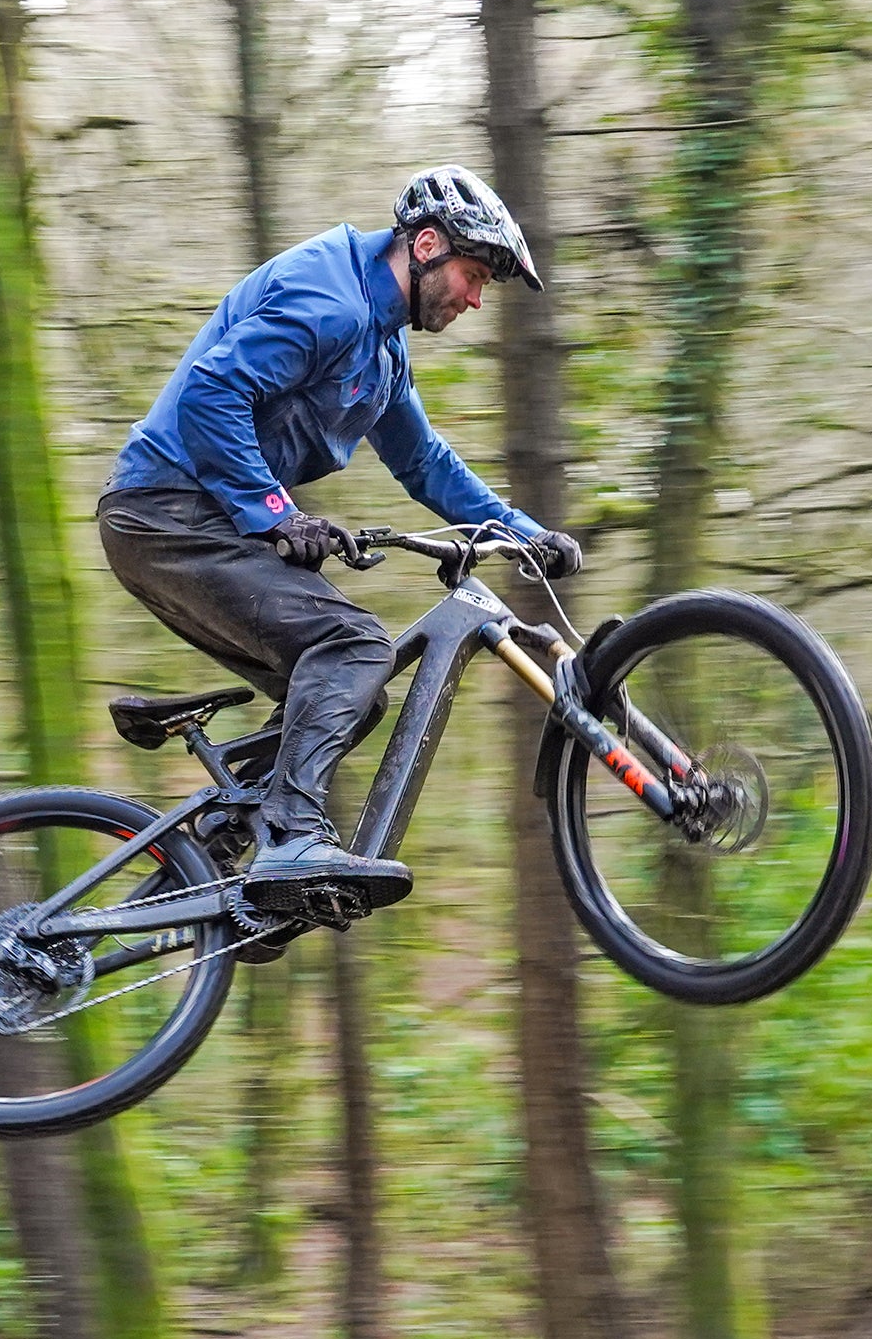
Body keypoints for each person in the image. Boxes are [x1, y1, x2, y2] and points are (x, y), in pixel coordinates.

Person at [98, 165, 581, 915]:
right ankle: (291, 839)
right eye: (473, 274)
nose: (476, 299)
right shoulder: (332, 301)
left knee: (349, 695)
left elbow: (424, 463)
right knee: (354, 647)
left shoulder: (382, 350)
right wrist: (276, 514)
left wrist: (524, 533)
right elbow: (210, 393)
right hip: (165, 512)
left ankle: (228, 860)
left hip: (195, 520)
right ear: (425, 245)